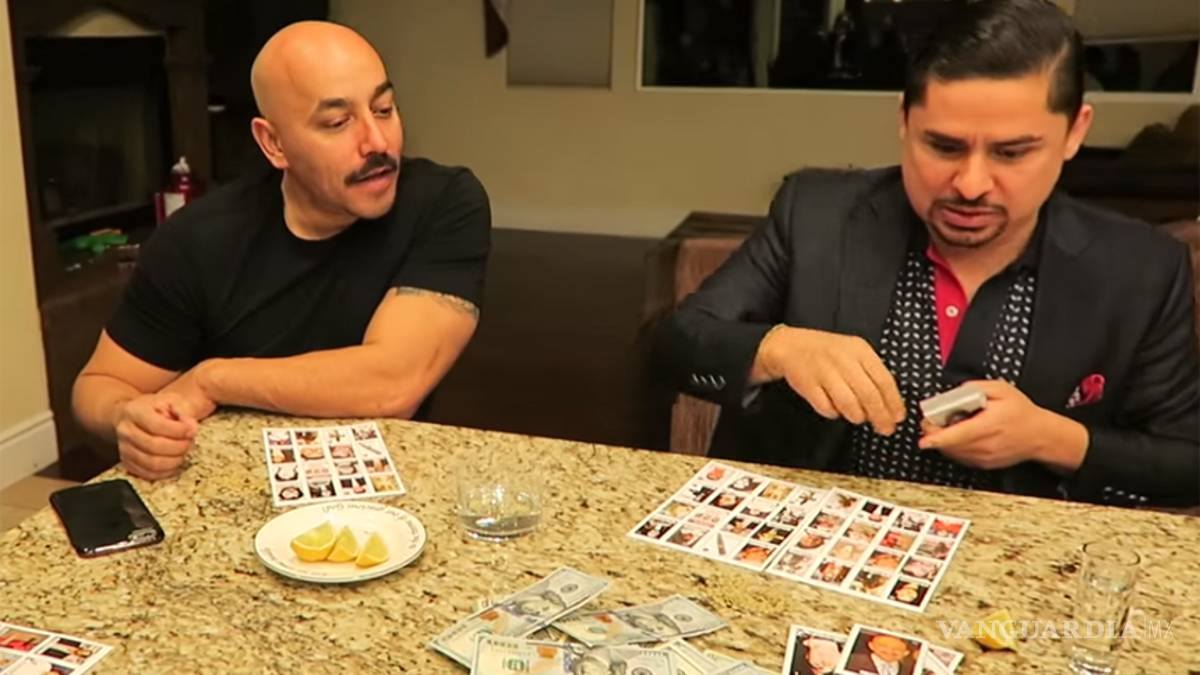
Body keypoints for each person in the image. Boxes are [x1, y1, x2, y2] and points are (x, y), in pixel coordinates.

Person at [657, 0, 1198, 507]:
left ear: (1075, 131)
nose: (971, 184)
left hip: (1008, 555)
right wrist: (776, 348)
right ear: (904, 120)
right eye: (943, 146)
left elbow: (1185, 463)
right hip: (814, 533)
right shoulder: (817, 214)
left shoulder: (1141, 268)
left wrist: (1051, 439)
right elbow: (676, 344)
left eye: (1012, 153)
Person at [72, 21, 490, 481]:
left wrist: (212, 379)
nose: (377, 142)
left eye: (384, 109)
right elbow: (99, 385)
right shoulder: (197, 238)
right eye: (338, 122)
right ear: (274, 144)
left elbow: (394, 381)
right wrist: (127, 418)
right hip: (235, 484)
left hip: (391, 481)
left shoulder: (444, 203)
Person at [844, 634, 916, 675]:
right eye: (883, 646)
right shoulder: (851, 660)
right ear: (871, 646)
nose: (889, 651)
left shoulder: (910, 671)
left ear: (906, 653)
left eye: (897, 649)